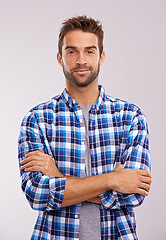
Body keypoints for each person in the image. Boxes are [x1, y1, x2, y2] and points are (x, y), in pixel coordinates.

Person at [18, 15, 151, 240]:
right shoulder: (37, 119)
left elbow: (133, 195)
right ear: (60, 58)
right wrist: (112, 180)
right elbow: (37, 194)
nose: (81, 60)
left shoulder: (131, 117)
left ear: (102, 56)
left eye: (89, 51)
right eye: (72, 51)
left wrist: (58, 177)